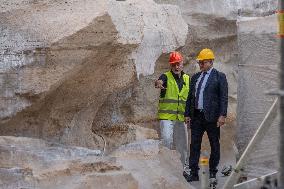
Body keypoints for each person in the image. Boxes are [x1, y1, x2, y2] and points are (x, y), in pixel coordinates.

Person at [183, 48, 228, 184]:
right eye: (200, 62)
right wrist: (187, 114)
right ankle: (194, 172)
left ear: (211, 62)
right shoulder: (195, 77)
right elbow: (190, 97)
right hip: (197, 116)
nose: (200, 65)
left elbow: (223, 97)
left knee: (214, 144)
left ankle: (213, 171)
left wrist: (222, 115)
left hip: (212, 117)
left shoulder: (219, 76)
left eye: (203, 62)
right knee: (194, 145)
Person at [155, 51, 190, 165]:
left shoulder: (187, 79)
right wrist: (158, 83)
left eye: (178, 63)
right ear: (170, 65)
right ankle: (167, 166)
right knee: (166, 140)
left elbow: (189, 98)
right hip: (166, 117)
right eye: (173, 64)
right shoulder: (165, 76)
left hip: (181, 117)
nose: (176, 66)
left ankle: (183, 167)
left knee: (182, 145)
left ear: (182, 63)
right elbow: (159, 81)